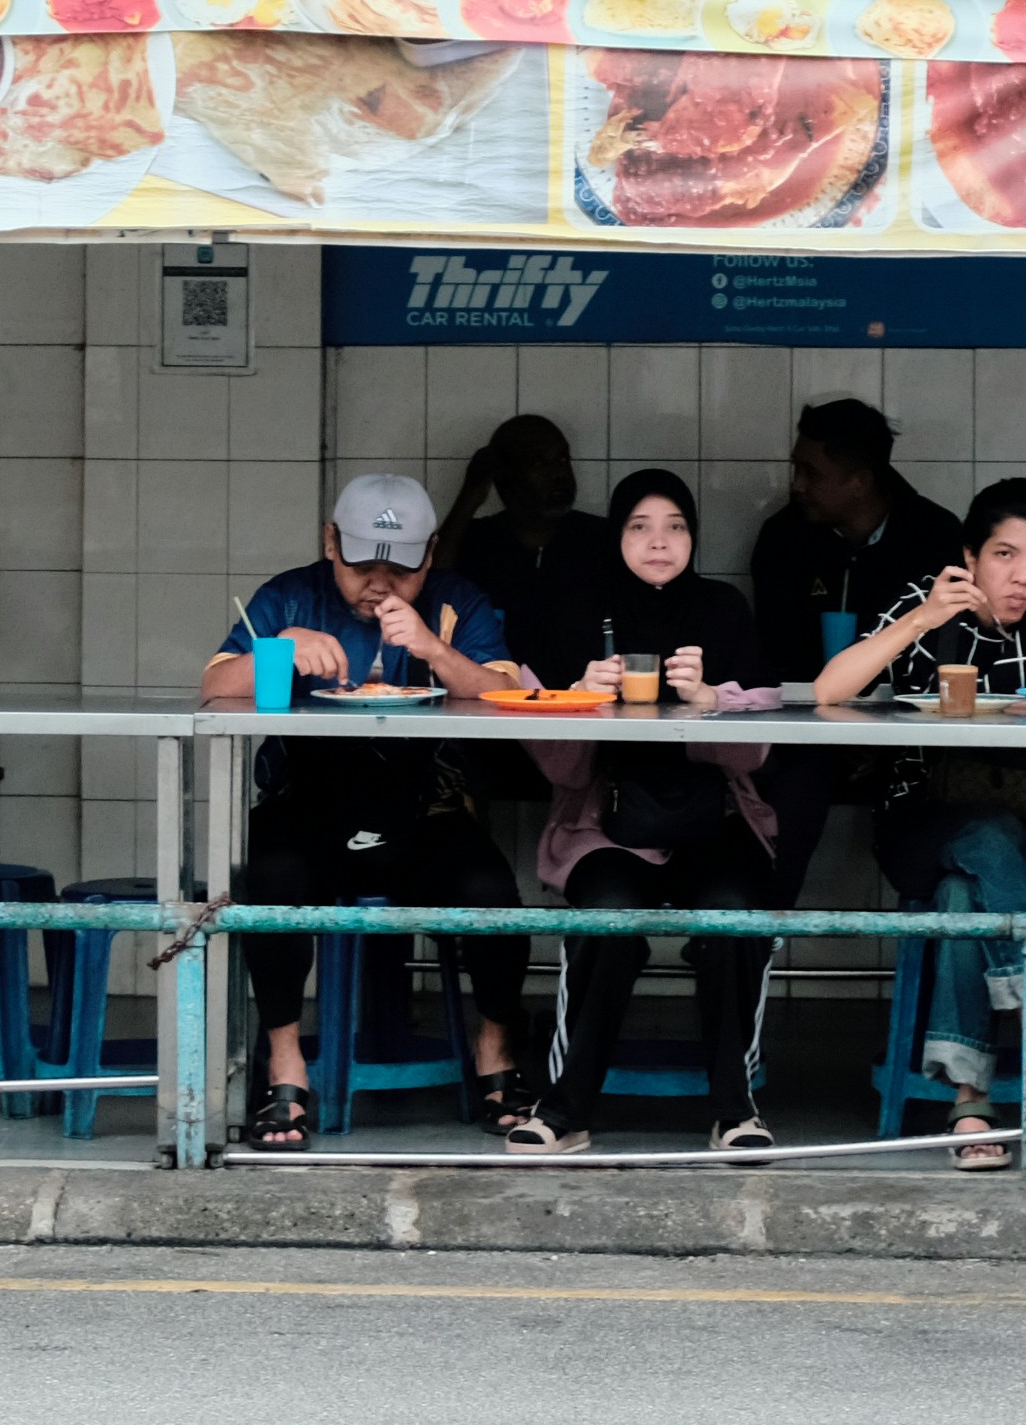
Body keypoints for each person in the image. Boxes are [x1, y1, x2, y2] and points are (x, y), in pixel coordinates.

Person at [196, 475, 536, 1154]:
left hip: (425, 811)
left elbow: (509, 696)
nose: (379, 584)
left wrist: (436, 653)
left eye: (400, 569)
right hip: (307, 805)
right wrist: (281, 648)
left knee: (492, 894)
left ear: (431, 554)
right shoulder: (289, 596)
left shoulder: (455, 603)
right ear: (330, 543)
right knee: (272, 881)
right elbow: (211, 689)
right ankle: (286, 1063)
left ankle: (495, 1049)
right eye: (360, 565)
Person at [812, 477, 1026, 1166]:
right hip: (919, 825)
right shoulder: (927, 601)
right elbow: (830, 688)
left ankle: (968, 1101)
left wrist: (1022, 700)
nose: (1024, 576)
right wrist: (922, 620)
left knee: (967, 895)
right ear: (970, 555)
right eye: (1005, 555)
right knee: (977, 843)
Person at [526, 467, 786, 1149]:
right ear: (617, 536)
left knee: (734, 913)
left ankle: (736, 1110)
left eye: (675, 526)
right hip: (607, 824)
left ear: (695, 536)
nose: (659, 542)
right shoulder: (582, 612)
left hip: (713, 820)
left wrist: (710, 702)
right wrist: (583, 697)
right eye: (640, 527)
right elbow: (553, 763)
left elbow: (760, 748)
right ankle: (565, 1109)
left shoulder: (723, 610)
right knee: (605, 914)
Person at [742, 397, 967, 914]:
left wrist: (881, 734)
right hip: (808, 725)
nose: (796, 484)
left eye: (810, 471)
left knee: (945, 789)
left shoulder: (935, 536)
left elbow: (947, 657)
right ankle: (751, 934)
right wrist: (838, 729)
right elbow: (776, 657)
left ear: (860, 481)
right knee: (796, 779)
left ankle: (945, 940)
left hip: (909, 731)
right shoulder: (783, 538)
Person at [439, 413, 612, 638]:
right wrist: (470, 495)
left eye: (562, 460)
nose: (558, 474)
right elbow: (433, 584)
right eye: (539, 463)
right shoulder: (478, 542)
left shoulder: (599, 538)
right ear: (502, 476)